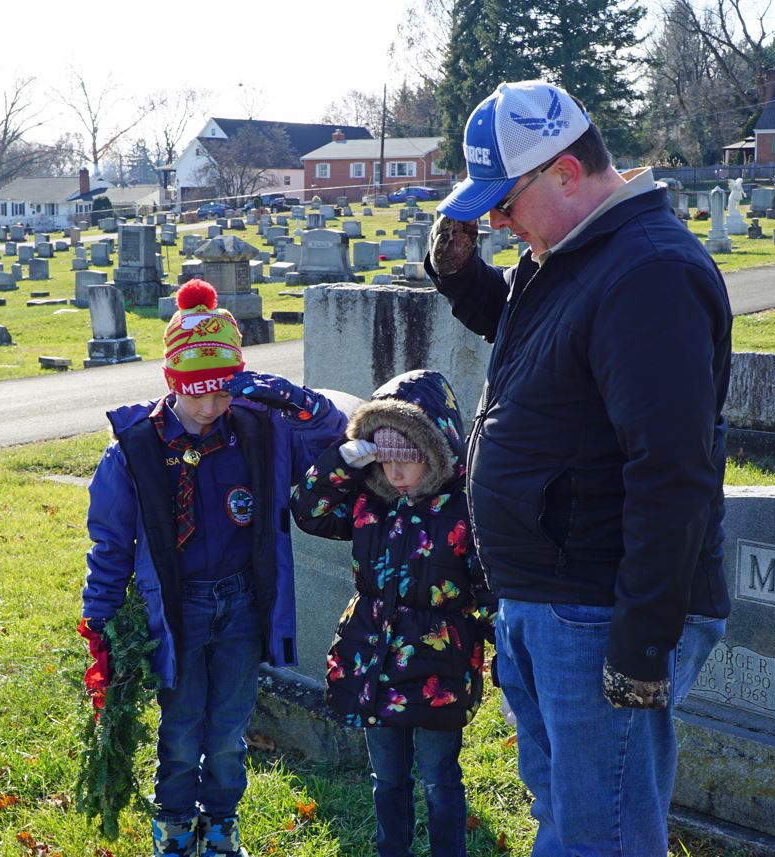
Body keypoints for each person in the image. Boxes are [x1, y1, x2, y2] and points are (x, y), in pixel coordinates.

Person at [425, 79, 733, 855]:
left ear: (565, 170)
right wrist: (463, 276)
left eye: (503, 201)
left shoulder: (647, 272)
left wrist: (641, 645)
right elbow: (543, 344)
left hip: (599, 609)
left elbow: (673, 472)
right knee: (564, 817)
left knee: (604, 834)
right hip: (548, 596)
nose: (492, 220)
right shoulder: (575, 253)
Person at [79, 279, 346, 857]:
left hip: (244, 603)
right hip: (179, 609)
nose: (208, 407)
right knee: (179, 729)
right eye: (196, 393)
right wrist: (98, 620)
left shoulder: (258, 428)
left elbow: (330, 435)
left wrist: (288, 396)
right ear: (173, 383)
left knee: (228, 728)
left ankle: (221, 827)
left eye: (221, 392)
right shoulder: (136, 448)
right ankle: (174, 829)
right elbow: (110, 540)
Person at [291, 370, 494, 857]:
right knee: (387, 779)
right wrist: (340, 462)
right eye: (386, 461)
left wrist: (506, 650)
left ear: (436, 453)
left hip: (437, 668)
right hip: (372, 662)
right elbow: (308, 511)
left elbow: (488, 585)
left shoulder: (463, 510)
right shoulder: (368, 503)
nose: (396, 474)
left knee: (440, 779)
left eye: (409, 461)